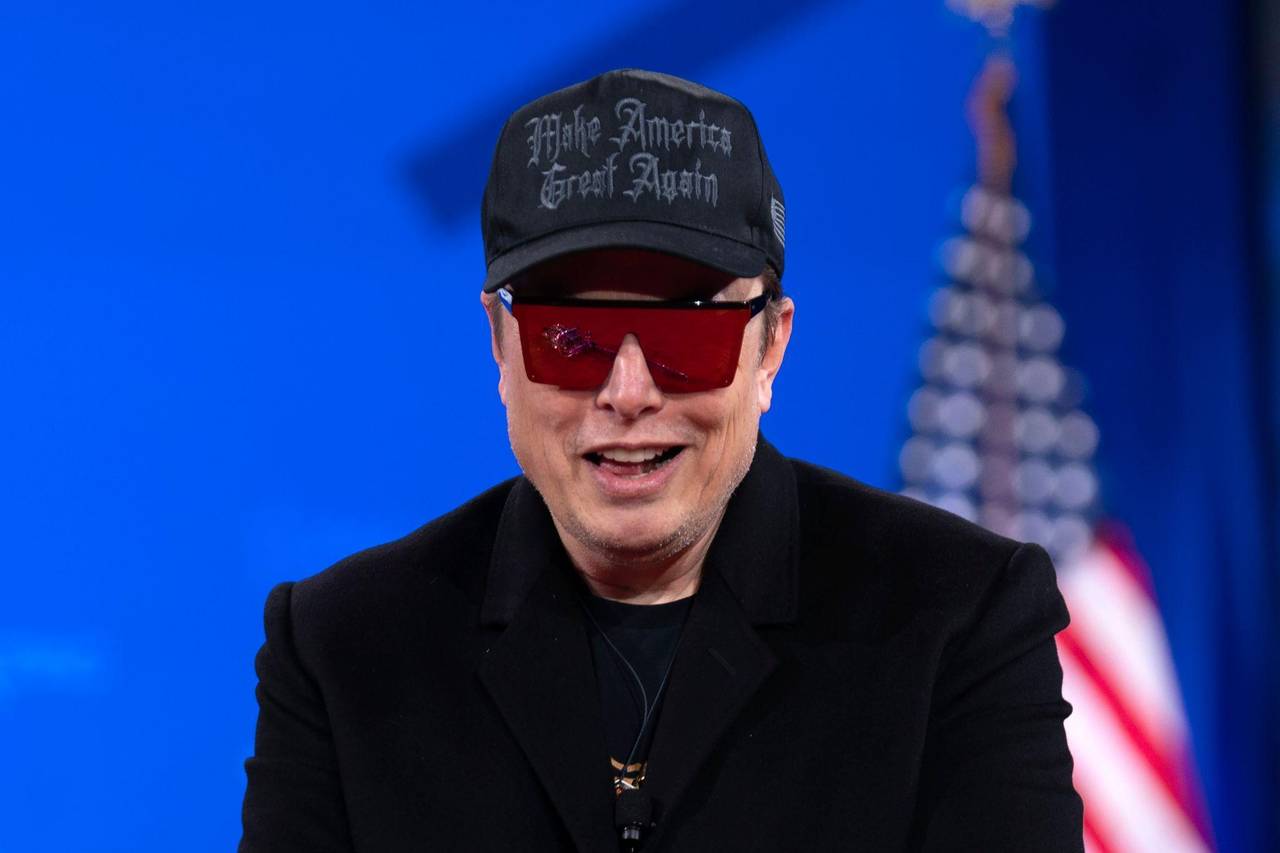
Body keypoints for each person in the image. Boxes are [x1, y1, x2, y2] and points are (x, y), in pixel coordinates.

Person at [240, 69, 1084, 852]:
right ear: (500, 345)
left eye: (688, 333)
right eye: (572, 336)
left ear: (770, 348)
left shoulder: (958, 619)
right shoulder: (344, 650)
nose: (629, 391)